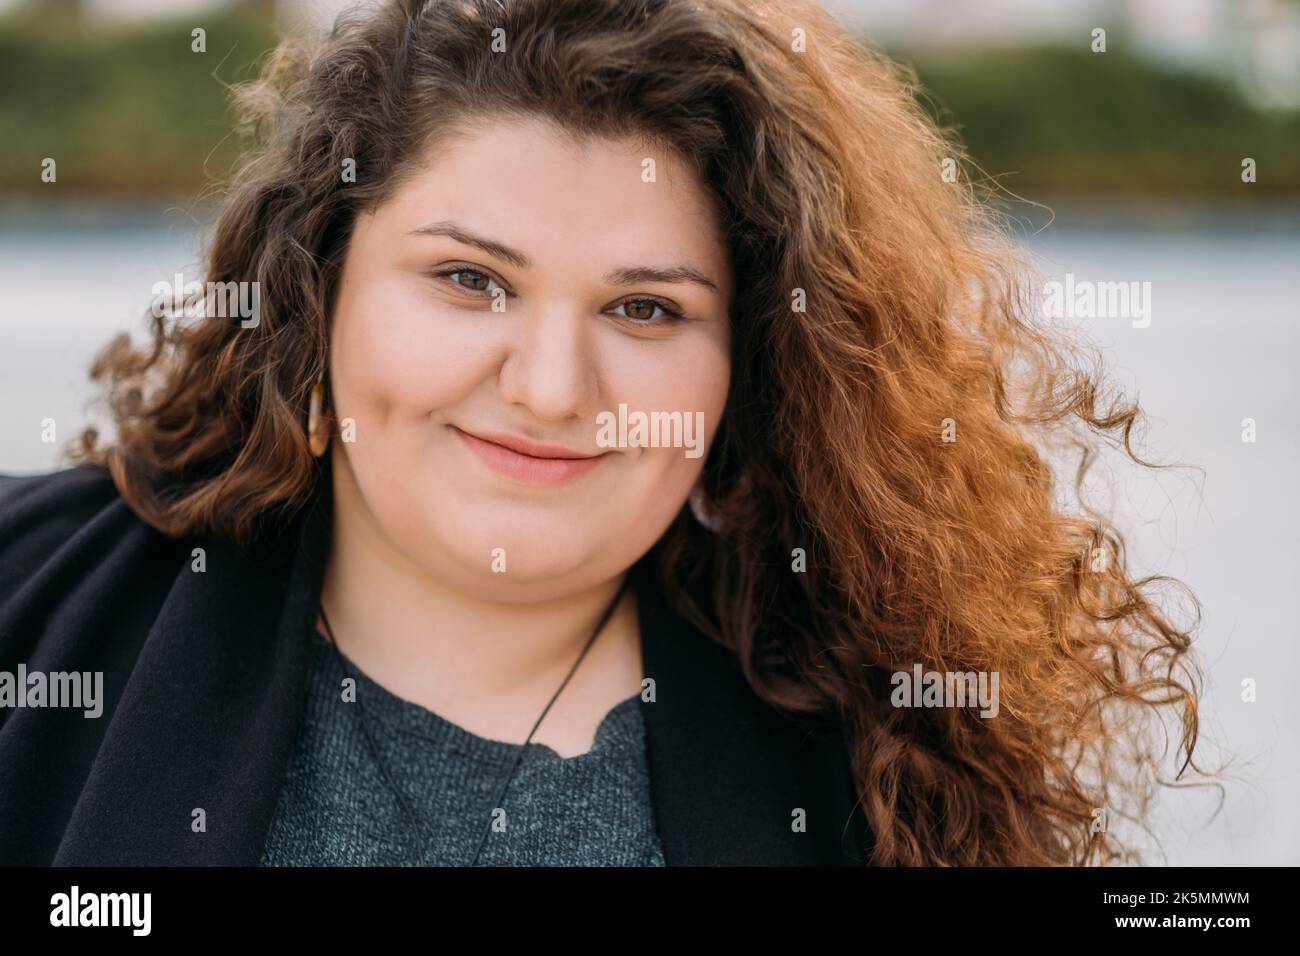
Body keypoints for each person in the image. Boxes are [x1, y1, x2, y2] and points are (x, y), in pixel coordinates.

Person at [0, 0, 1206, 866]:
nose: (550, 385)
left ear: (757, 371)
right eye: (470, 280)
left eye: (644, 308)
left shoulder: (890, 787)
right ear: (316, 297)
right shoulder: (30, 603)